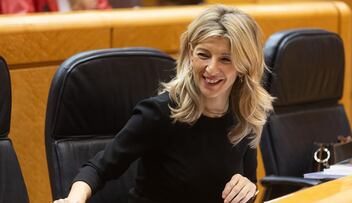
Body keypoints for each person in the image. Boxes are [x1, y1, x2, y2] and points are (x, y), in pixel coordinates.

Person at [53, 4, 273, 203]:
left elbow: (247, 185)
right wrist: (75, 199)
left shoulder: (245, 116)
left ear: (244, 65)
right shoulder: (159, 112)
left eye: (225, 59)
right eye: (203, 55)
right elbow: (98, 168)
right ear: (190, 54)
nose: (211, 69)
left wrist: (248, 189)